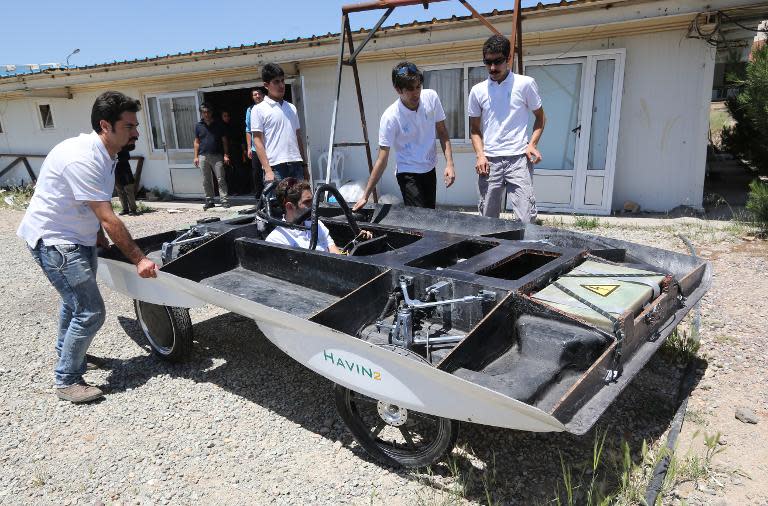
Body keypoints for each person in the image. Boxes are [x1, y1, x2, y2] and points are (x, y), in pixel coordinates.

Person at [17, 91, 158, 404]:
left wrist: (94, 234)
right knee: (91, 312)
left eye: (136, 126)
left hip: (75, 238)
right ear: (105, 125)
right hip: (56, 242)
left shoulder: (106, 153)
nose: (136, 133)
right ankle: (67, 379)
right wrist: (139, 260)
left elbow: (91, 208)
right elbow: (108, 218)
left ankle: (71, 358)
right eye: (129, 126)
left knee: (74, 304)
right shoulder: (83, 157)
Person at [353, 61, 455, 211]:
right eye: (409, 89)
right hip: (408, 172)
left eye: (418, 87)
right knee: (419, 219)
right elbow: (382, 159)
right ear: (398, 89)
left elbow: (442, 132)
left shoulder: (431, 98)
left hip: (429, 167)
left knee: (430, 216)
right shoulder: (390, 117)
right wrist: (365, 195)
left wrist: (450, 163)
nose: (416, 93)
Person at [468, 34, 546, 222]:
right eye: (488, 63)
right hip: (490, 161)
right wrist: (480, 155)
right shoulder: (477, 91)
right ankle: (488, 251)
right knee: (487, 220)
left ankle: (526, 250)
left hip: (519, 159)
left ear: (508, 58)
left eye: (498, 62)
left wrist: (532, 144)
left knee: (526, 219)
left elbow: (541, 118)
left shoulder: (525, 84)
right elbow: (475, 129)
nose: (492, 68)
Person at [250, 64, 309, 184]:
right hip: (275, 168)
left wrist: (304, 165)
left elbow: (298, 137)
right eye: (276, 82)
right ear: (266, 85)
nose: (281, 85)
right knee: (278, 203)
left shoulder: (291, 107)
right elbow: (257, 141)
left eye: (282, 81)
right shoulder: (259, 109)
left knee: (299, 203)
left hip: (296, 165)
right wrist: (267, 170)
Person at [265, 178, 341, 254]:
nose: (313, 205)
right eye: (307, 202)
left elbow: (334, 251)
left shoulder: (317, 224)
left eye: (313, 200)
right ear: (289, 207)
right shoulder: (277, 240)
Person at [194, 103, 230, 210]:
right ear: (201, 113)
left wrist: (226, 154)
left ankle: (224, 200)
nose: (206, 114)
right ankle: (209, 200)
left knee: (220, 178)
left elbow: (224, 140)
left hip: (217, 155)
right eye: (204, 112)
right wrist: (195, 156)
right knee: (206, 179)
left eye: (208, 112)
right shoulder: (198, 125)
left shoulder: (218, 124)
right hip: (203, 156)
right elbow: (196, 142)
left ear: (211, 112)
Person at [245, 86, 267, 197]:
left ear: (263, 95)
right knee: (257, 174)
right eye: (255, 94)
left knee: (270, 173)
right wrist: (249, 147)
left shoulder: (269, 108)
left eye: (259, 93)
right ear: (252, 97)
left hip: (270, 147)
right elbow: (248, 130)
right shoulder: (250, 110)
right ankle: (259, 199)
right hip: (256, 148)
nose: (257, 96)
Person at [221, 110, 247, 195]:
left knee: (239, 170)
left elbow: (241, 139)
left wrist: (244, 152)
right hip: (225, 152)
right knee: (228, 172)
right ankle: (232, 191)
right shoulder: (220, 127)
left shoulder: (234, 126)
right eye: (224, 116)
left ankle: (242, 190)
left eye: (228, 116)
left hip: (236, 150)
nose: (227, 118)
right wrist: (225, 154)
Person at [114, 149, 138, 215]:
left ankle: (133, 209)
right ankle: (125, 209)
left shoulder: (123, 146)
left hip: (125, 171)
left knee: (129, 190)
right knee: (120, 191)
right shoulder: (111, 147)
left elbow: (127, 157)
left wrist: (117, 159)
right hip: (116, 171)